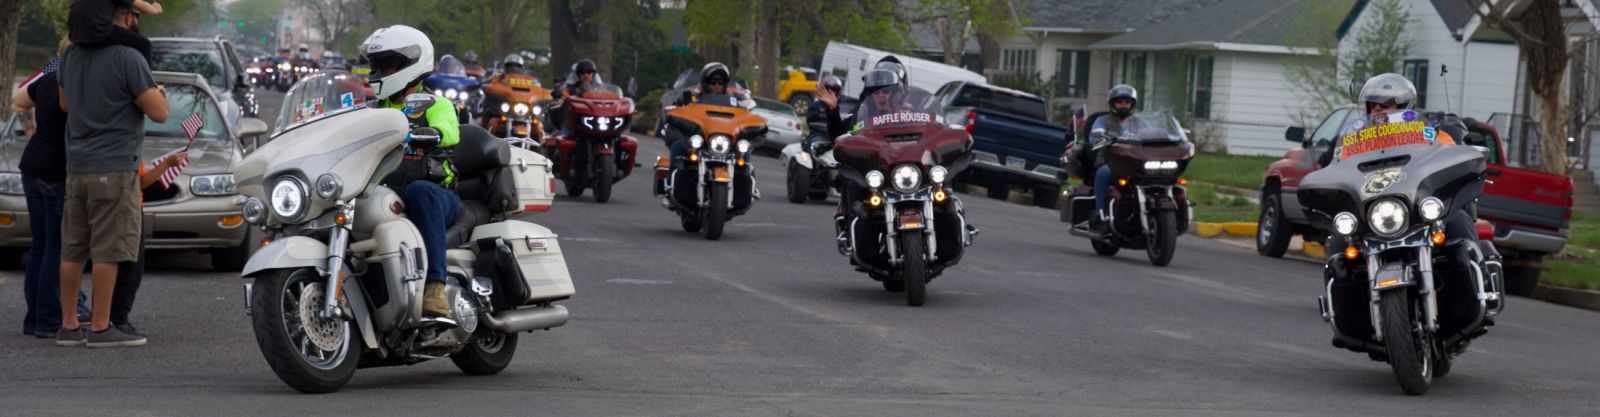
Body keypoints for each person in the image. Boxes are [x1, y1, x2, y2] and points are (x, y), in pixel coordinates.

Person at [56, 2, 167, 347]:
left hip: (76, 166)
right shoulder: (128, 57)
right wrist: (152, 96)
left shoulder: (70, 56)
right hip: (114, 166)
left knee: (72, 249)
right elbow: (160, 113)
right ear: (125, 17)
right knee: (109, 249)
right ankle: (101, 327)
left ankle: (69, 326)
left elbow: (65, 104)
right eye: (135, 16)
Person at [361, 24, 462, 320]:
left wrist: (431, 132)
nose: (379, 72)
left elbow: (450, 130)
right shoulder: (374, 108)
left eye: (387, 65)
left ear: (411, 65)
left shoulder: (436, 104)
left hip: (437, 194)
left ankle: (435, 287)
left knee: (420, 191)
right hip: (387, 190)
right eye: (376, 65)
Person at [1324, 73, 1473, 264]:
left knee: (1458, 219)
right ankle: (1337, 282)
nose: (1378, 108)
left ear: (1404, 107)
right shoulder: (1355, 141)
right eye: (1373, 104)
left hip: (1416, 206)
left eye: (1386, 103)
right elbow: (1334, 166)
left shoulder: (1424, 133)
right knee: (1339, 241)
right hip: (1371, 211)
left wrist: (1459, 155)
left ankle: (1477, 276)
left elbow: (1449, 154)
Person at [13, 39, 90, 339]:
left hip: (33, 165)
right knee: (57, 247)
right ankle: (48, 317)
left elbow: (19, 100)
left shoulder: (47, 80)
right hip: (58, 171)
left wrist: (31, 132)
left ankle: (34, 317)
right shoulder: (76, 87)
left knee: (40, 246)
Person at [1087, 84, 1142, 233]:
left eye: (1127, 101)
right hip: (1111, 161)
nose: (1123, 105)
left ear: (1132, 104)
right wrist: (1099, 136)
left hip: (1136, 162)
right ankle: (1100, 214)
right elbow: (1094, 136)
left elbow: (1153, 131)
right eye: (1119, 101)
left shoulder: (1138, 122)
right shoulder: (1103, 121)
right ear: (1112, 103)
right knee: (1104, 172)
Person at [66, 0, 163, 62]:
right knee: (144, 43)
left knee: (133, 32)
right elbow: (143, 7)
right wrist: (156, 8)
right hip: (98, 31)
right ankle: (148, 82)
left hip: (75, 34)